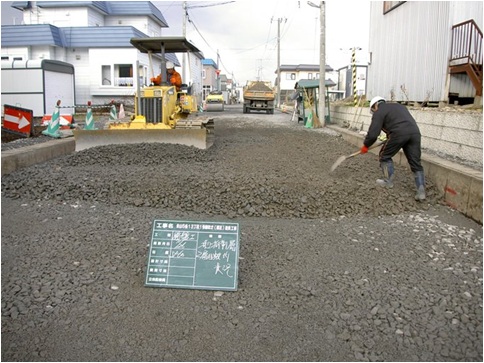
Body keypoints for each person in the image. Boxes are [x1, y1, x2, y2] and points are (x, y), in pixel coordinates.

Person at [360, 96, 426, 201]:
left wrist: (365, 145)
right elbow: (399, 122)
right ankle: (421, 190)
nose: (373, 112)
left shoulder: (379, 111)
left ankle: (388, 182)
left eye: (372, 110)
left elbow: (373, 134)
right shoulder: (399, 106)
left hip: (398, 133)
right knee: (415, 162)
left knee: (384, 155)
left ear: (375, 106)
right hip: (414, 133)